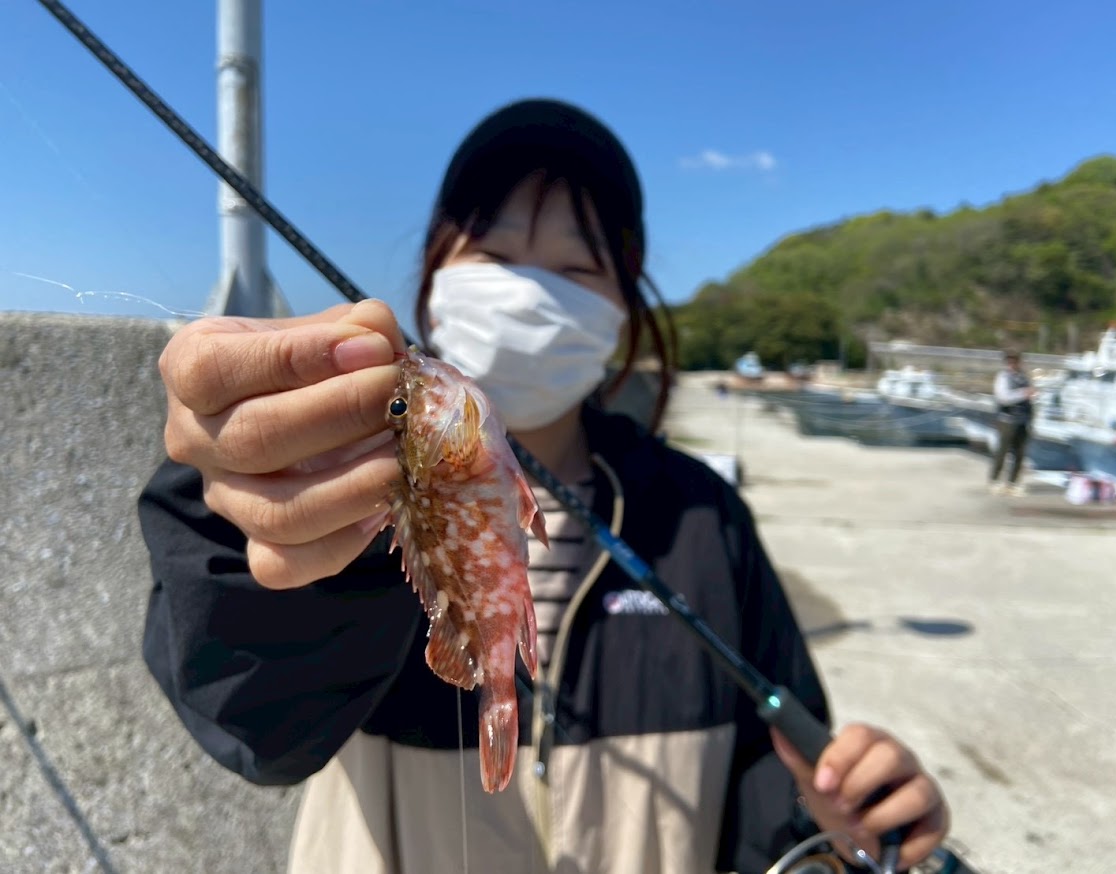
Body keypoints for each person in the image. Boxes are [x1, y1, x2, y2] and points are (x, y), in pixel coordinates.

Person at [138, 98, 949, 874]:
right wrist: (258, 487)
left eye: (575, 267)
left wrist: (829, 820)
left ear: (623, 305)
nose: (527, 293)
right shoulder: (353, 475)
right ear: (433, 275)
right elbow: (255, 727)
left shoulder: (706, 517)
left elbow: (757, 786)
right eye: (493, 257)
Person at [988, 348, 1037, 496]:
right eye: (1009, 360)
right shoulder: (1002, 377)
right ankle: (995, 480)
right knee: (1002, 452)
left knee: (1020, 453)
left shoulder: (1024, 377)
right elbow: (1003, 397)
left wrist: (1032, 397)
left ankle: (1013, 483)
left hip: (1023, 420)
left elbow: (1031, 397)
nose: (1012, 363)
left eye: (1015, 360)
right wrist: (1024, 393)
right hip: (1007, 420)